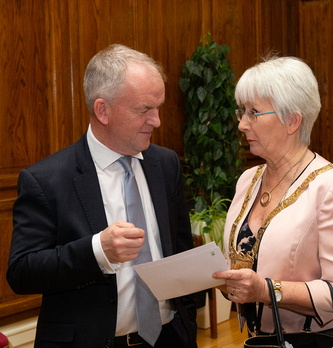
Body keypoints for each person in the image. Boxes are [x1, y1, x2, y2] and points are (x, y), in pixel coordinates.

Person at [7, 44, 197, 348]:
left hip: (168, 338)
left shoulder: (166, 164)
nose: (157, 121)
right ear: (102, 110)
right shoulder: (46, 180)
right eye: (144, 110)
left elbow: (178, 248)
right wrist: (98, 251)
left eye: (158, 107)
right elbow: (22, 272)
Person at [213, 56, 333, 347]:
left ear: (292, 120)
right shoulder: (247, 180)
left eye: (253, 113)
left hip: (324, 340)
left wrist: (265, 290)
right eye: (242, 112)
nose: (242, 125)